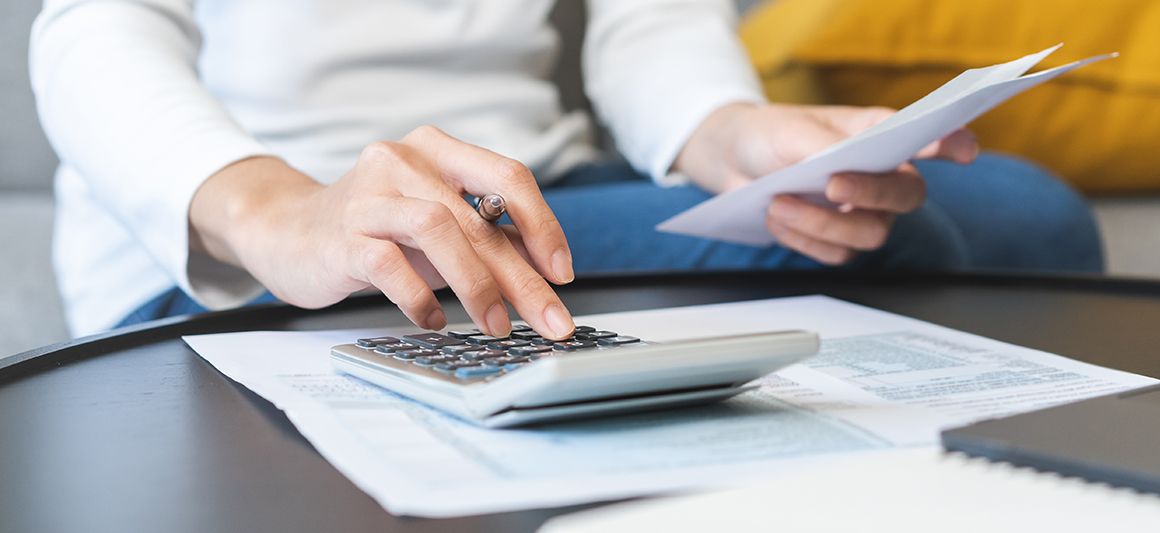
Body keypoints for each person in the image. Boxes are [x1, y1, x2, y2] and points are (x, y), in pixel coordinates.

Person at [30, 0, 1102, 341]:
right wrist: (275, 210)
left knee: (1033, 216)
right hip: (239, 234)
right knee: (894, 245)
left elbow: (647, 26)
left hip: (527, 183)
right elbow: (93, 30)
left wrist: (724, 128)